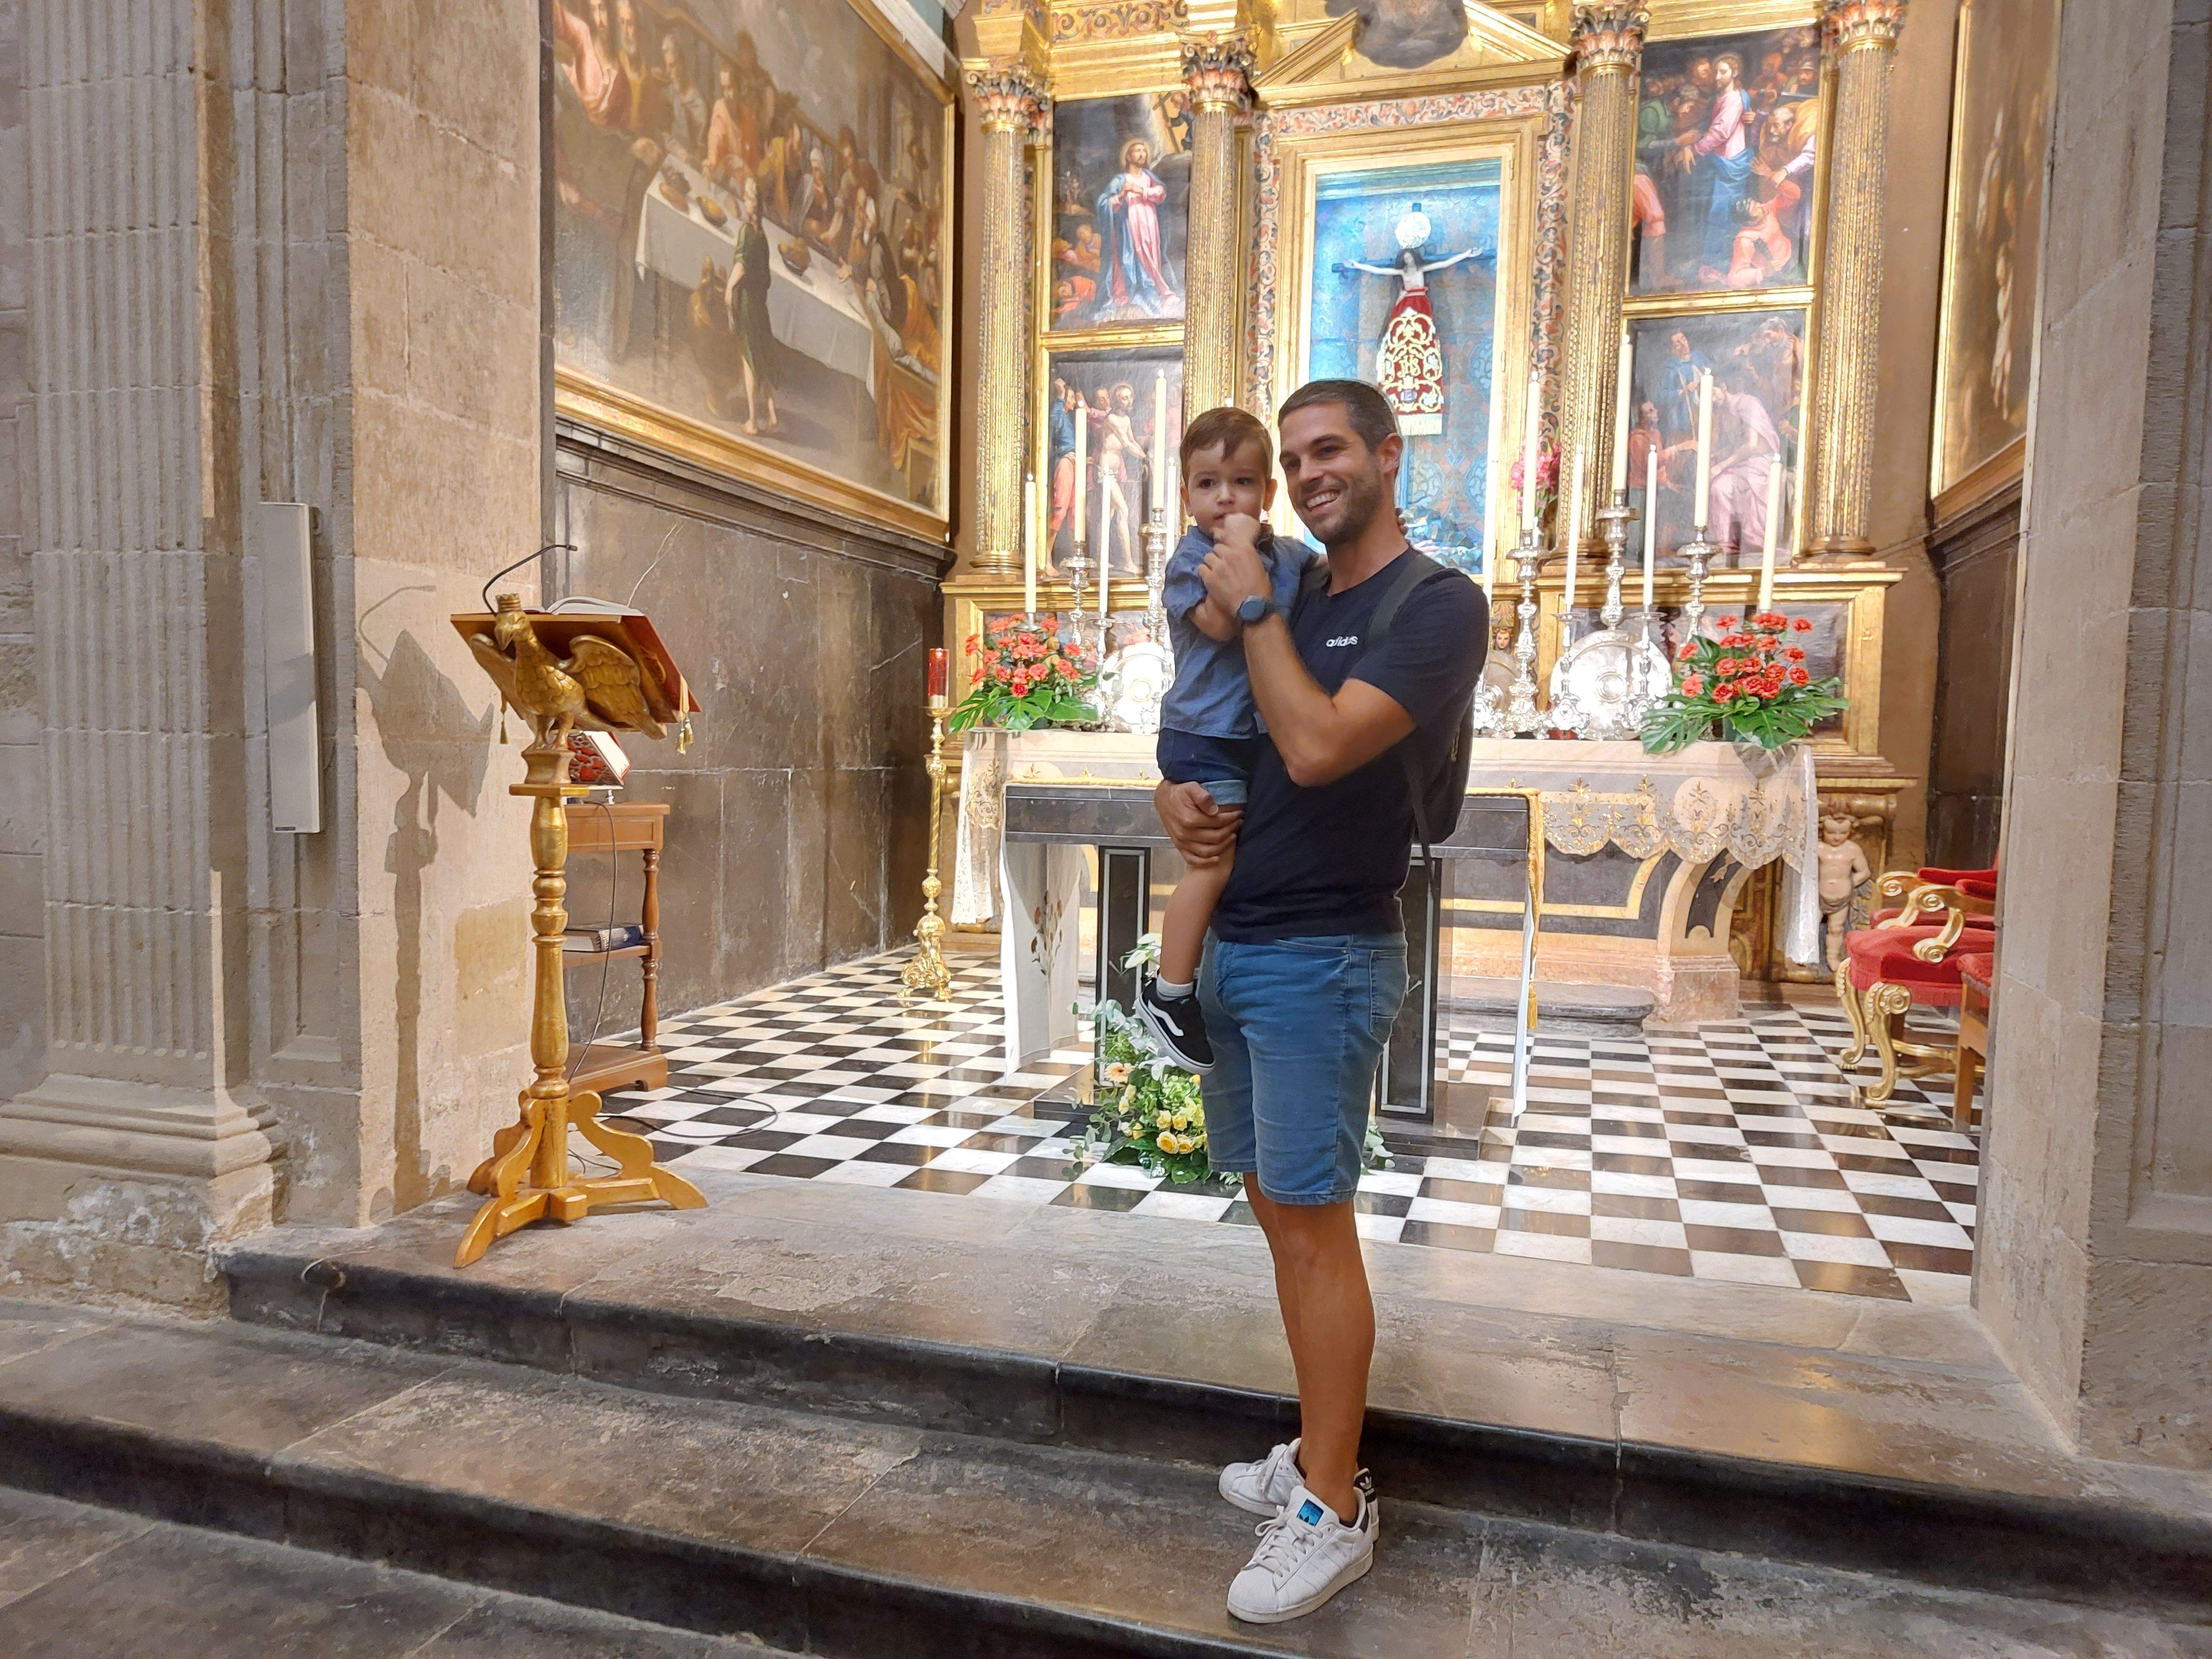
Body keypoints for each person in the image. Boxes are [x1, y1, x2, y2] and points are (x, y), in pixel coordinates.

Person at [1153, 379, 1487, 1625]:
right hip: (1240, 938)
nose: (1308, 473)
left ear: (1390, 453)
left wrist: (1246, 609)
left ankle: (1335, 1505)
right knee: (1275, 1208)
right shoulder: (1295, 591)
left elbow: (1315, 747)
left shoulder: (1435, 606)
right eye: (1293, 457)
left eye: (1331, 449)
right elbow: (1233, 762)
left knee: (1315, 1219)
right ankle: (1314, 1448)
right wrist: (1173, 806)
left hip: (1323, 952)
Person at [1136, 409, 1318, 1073]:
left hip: (1255, 736)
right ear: (1186, 495)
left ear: (1268, 494)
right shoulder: (1193, 558)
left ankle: (1213, 985)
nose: (1225, 499)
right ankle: (1168, 991)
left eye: (1242, 483)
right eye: (1208, 484)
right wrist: (1239, 555)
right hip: (1200, 736)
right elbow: (1219, 624)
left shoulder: (1292, 558)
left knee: (1238, 862)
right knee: (1210, 862)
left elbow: (1328, 586)